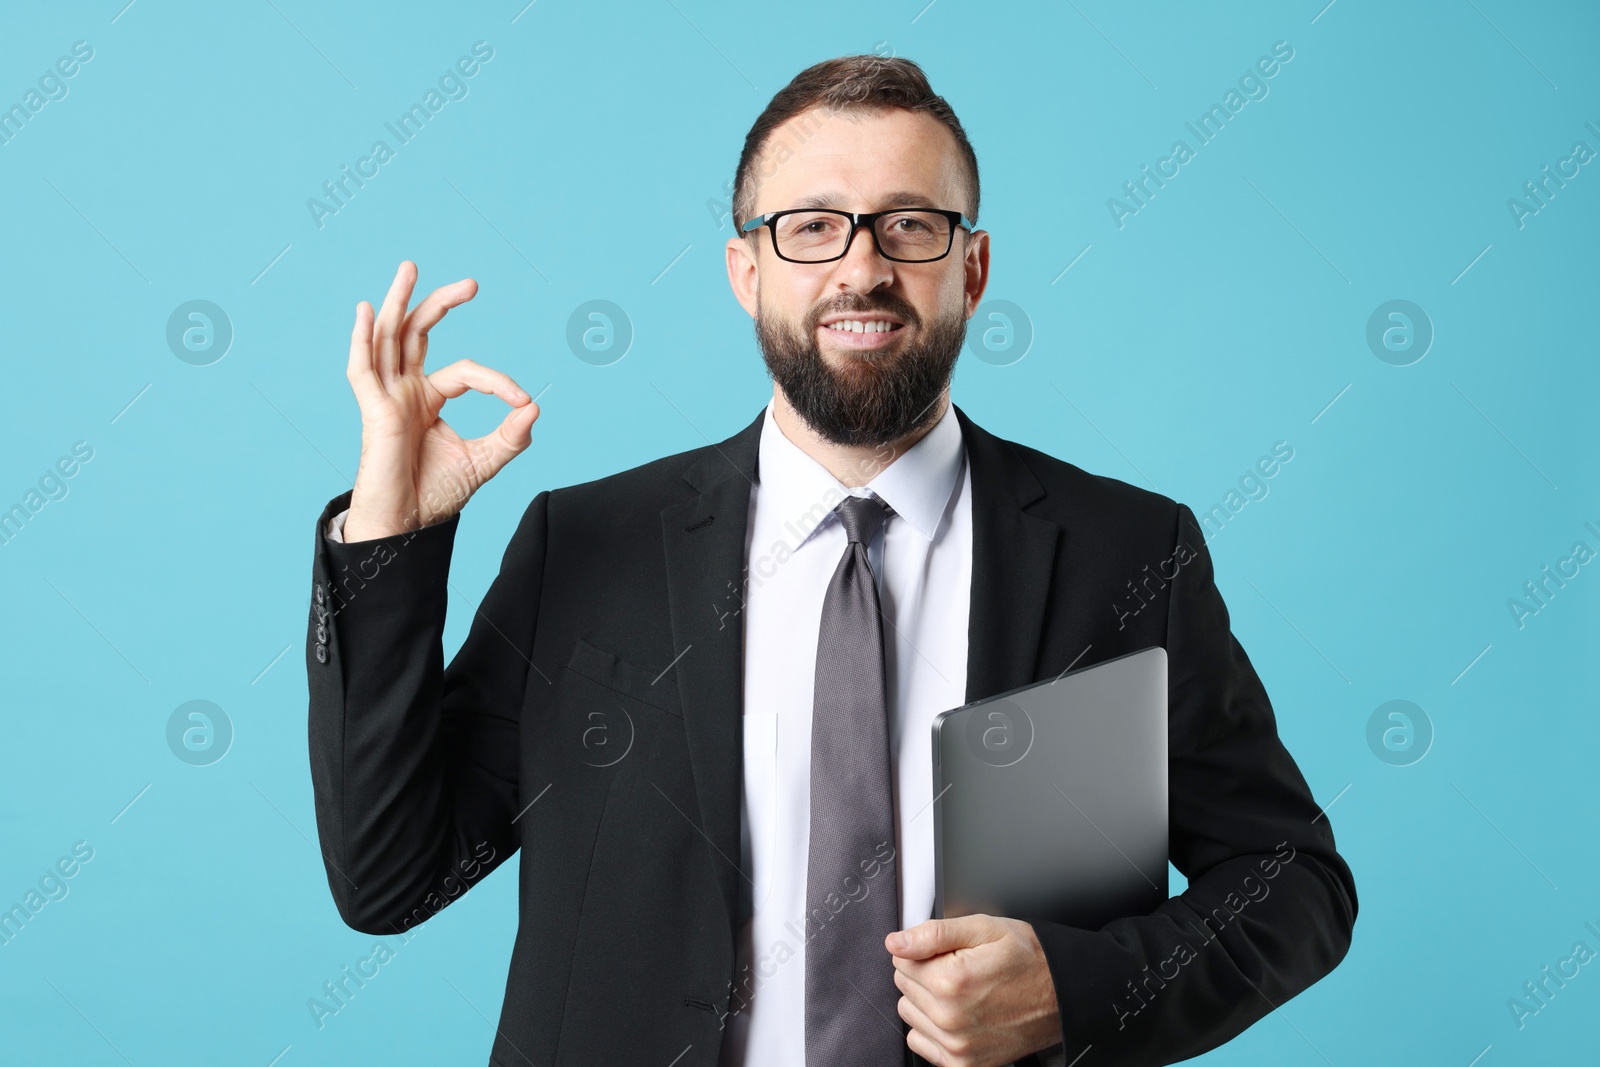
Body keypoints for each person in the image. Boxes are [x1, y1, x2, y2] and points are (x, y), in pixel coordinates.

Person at [304, 55, 1356, 1067]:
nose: (862, 268)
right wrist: (389, 532)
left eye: (909, 225)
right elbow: (392, 877)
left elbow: (1292, 881)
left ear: (971, 268)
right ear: (745, 271)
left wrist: (1069, 989)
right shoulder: (581, 546)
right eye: (811, 227)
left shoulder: (1125, 553)